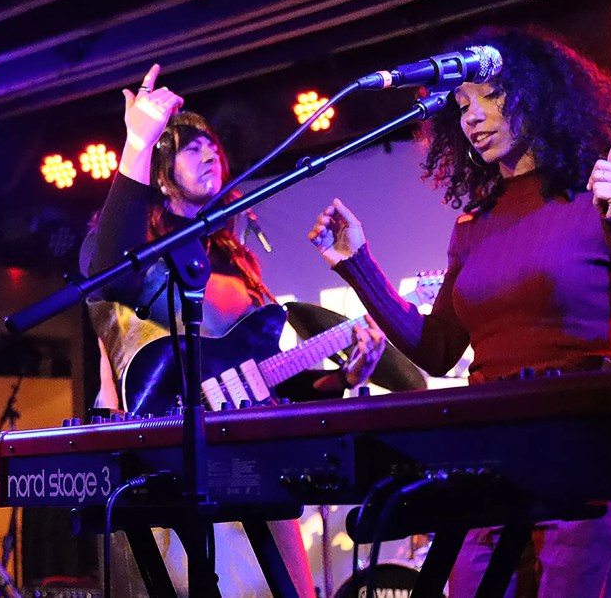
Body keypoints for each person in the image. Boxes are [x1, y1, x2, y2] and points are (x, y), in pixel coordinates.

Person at [308, 26, 611, 597]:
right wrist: (357, 264)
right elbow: (439, 350)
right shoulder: (475, 224)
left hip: (585, 458)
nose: (472, 116)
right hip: (486, 462)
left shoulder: (601, 196)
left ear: (538, 95)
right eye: (461, 104)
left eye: (491, 95)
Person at [82, 63, 386, 596]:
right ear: (159, 174)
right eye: (191, 148)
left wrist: (340, 379)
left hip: (248, 459)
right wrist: (138, 140)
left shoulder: (234, 258)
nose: (210, 156)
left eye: (213, 148)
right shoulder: (124, 243)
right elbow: (113, 271)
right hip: (156, 462)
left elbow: (255, 378)